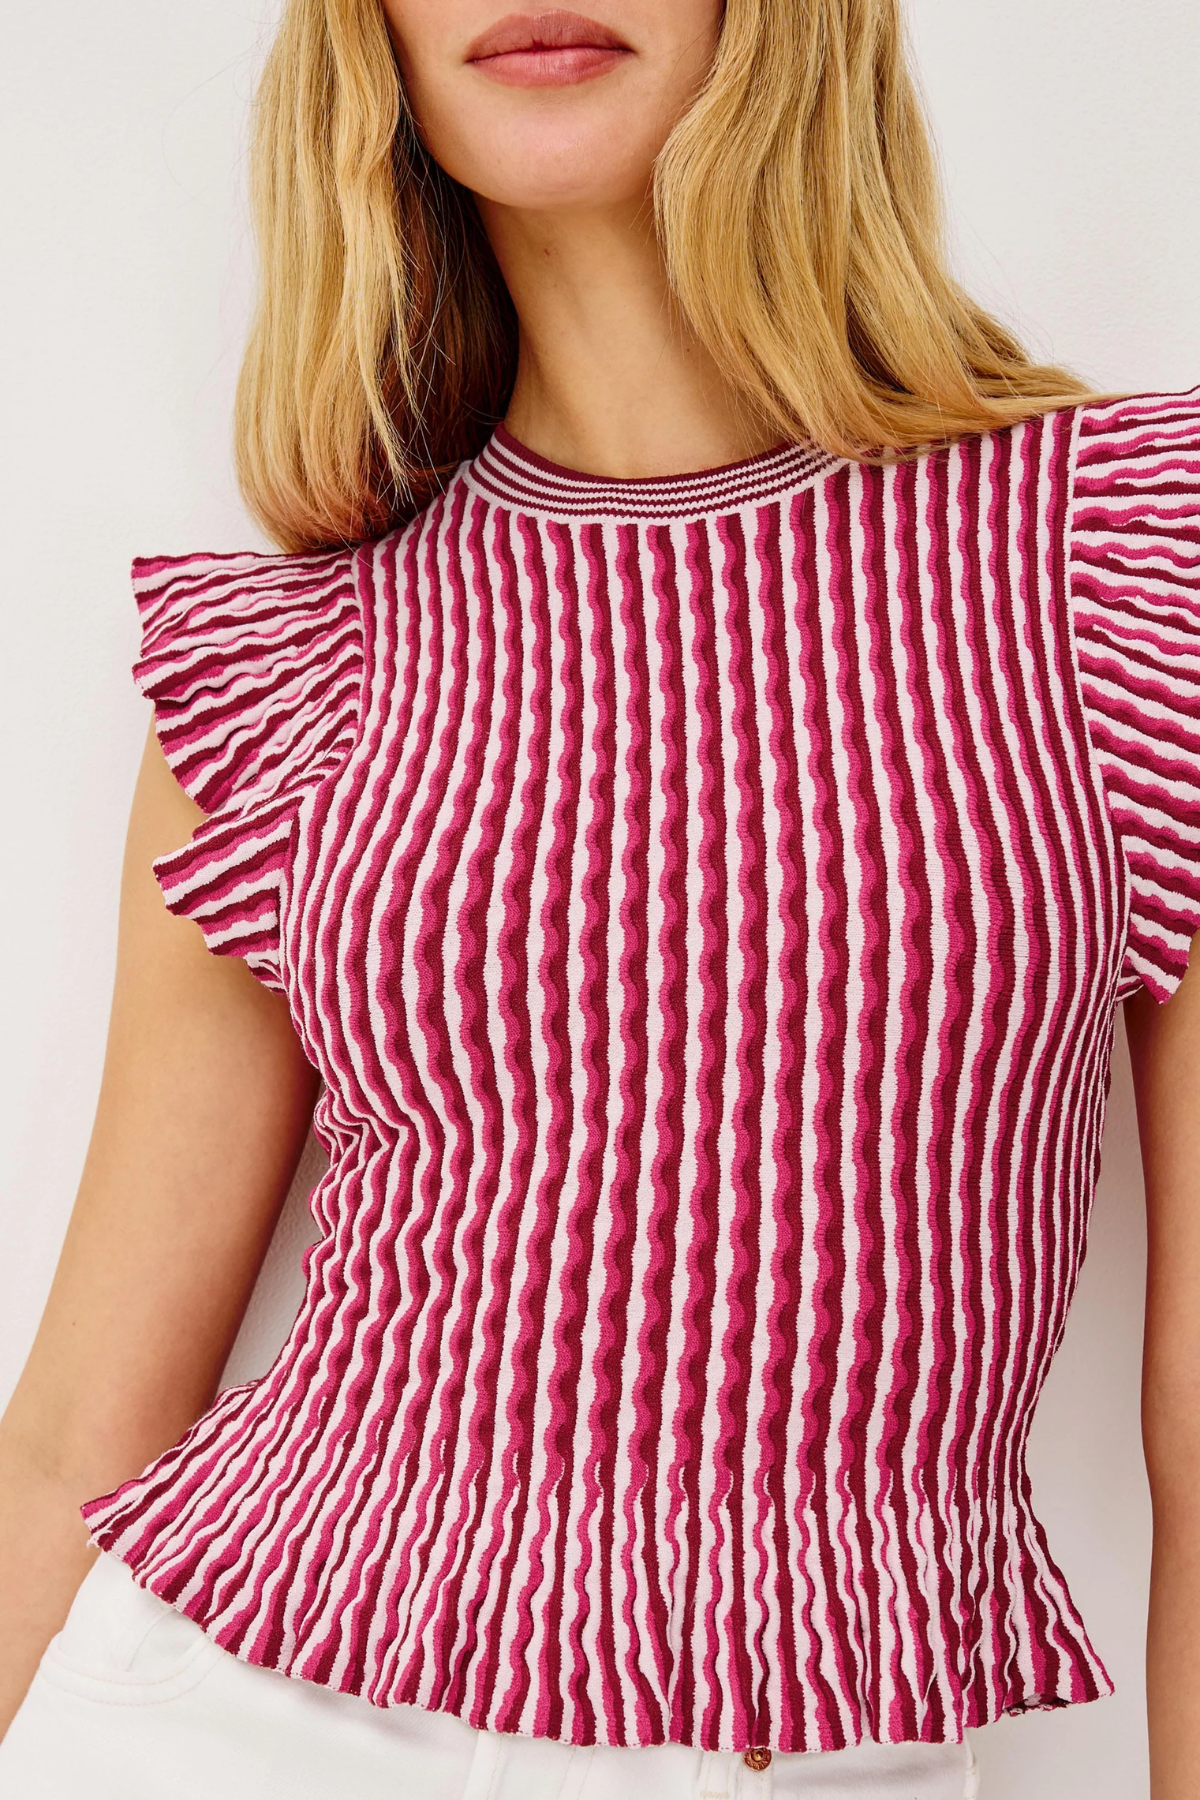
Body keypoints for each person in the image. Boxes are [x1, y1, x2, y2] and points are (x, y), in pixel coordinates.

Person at [1, 1, 1198, 1795]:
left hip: (810, 1749)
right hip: (232, 1720)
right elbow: (83, 1427)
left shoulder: (1121, 561)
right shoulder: (305, 661)